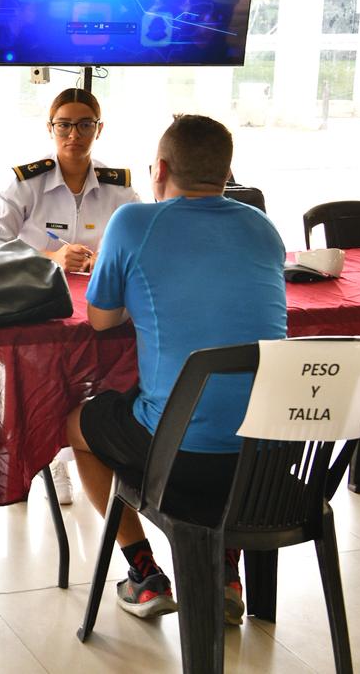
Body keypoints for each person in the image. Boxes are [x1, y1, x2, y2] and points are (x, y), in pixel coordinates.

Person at [64, 114, 286, 624]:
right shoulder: (262, 226)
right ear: (226, 174)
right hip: (267, 463)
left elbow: (100, 320)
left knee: (78, 425)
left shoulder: (134, 222)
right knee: (226, 406)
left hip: (182, 458)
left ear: (159, 170)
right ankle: (224, 570)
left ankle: (143, 572)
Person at [0, 86, 140, 504]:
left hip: (99, 303)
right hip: (42, 301)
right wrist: (50, 257)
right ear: (50, 128)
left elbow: (141, 243)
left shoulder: (118, 187)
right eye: (64, 125)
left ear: (99, 129)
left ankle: (93, 445)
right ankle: (54, 457)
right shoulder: (26, 182)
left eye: (84, 125)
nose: (74, 135)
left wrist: (106, 259)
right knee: (50, 365)